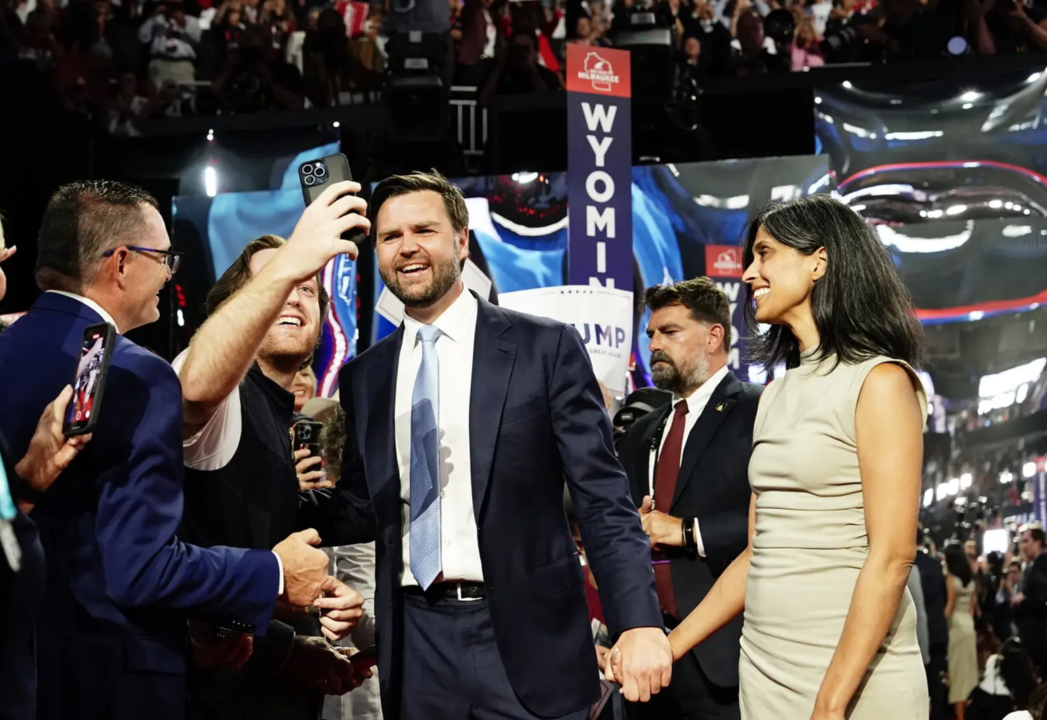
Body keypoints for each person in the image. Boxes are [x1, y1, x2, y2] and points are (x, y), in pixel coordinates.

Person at [331, 170, 671, 720]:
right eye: (390, 236)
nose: (407, 246)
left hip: (526, 641)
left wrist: (638, 621)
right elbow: (358, 506)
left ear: (462, 241)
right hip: (415, 645)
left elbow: (602, 499)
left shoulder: (545, 347)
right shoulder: (365, 376)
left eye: (424, 229)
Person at [0, 180, 332, 720]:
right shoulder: (138, 376)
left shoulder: (7, 348)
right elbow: (141, 568)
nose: (171, 272)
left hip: (26, 671)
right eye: (164, 257)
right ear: (122, 263)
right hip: (113, 684)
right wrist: (270, 572)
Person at [614, 195, 928, 719]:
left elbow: (892, 558)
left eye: (765, 254)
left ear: (818, 261)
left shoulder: (880, 382)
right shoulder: (777, 395)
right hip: (763, 670)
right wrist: (671, 645)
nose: (749, 274)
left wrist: (830, 704)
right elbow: (758, 554)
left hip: (852, 677)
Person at [174, 183, 372, 720]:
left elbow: (242, 549)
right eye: (274, 281)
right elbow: (194, 384)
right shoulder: (219, 390)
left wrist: (289, 645)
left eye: (308, 287)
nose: (292, 294)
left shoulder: (274, 412)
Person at [616, 278, 762, 720]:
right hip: (645, 654)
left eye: (670, 332)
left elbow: (783, 526)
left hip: (726, 657)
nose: (655, 343)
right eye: (651, 334)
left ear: (714, 336)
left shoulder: (758, 411)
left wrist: (685, 531)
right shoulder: (639, 433)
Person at [914, 535, 951, 720]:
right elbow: (944, 599)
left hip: (916, 634)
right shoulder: (936, 565)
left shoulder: (908, 566)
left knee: (919, 682)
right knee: (935, 680)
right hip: (937, 631)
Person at [945, 541, 978, 719]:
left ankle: (960, 717)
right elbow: (972, 608)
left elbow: (949, 607)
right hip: (969, 625)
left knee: (957, 674)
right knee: (969, 672)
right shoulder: (970, 578)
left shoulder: (951, 579)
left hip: (956, 627)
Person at [1014, 525, 1047, 679]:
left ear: (1038, 542)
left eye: (1026, 541)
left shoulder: (1041, 565)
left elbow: (1041, 598)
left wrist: (1023, 600)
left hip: (1039, 634)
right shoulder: (1034, 565)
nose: (1023, 546)